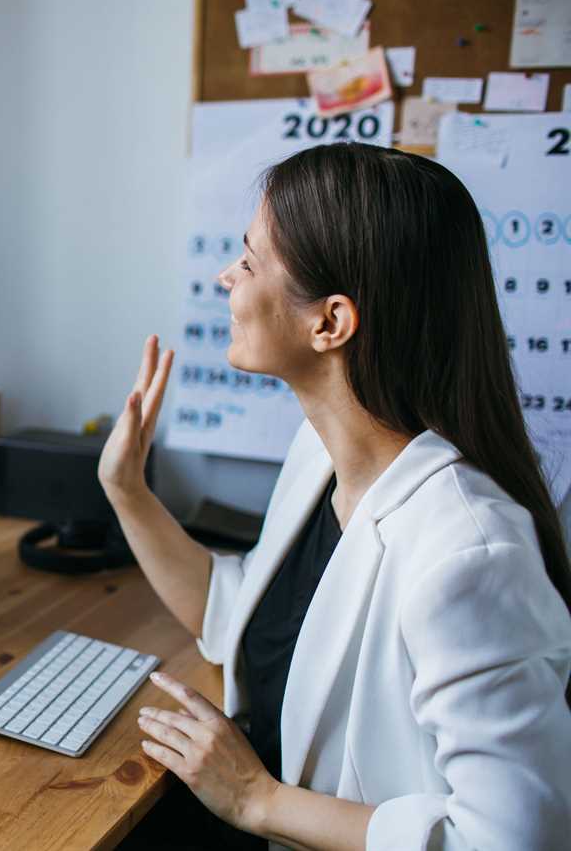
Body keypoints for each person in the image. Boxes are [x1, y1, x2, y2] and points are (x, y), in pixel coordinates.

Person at [97, 144, 571, 851]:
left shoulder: (468, 553)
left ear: (330, 323)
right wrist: (127, 490)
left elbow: (513, 840)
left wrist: (258, 799)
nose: (226, 275)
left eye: (250, 261)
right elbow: (242, 615)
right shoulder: (319, 453)